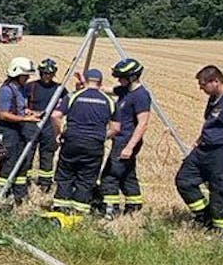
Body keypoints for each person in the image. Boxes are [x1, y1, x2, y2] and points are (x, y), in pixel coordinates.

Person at [176, 65, 223, 239]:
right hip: (204, 149)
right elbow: (210, 122)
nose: (200, 88)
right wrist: (199, 140)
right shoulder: (214, 98)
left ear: (215, 81)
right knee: (184, 180)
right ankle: (205, 216)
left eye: (203, 84)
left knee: (221, 190)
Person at [50, 69, 118, 217]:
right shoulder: (109, 101)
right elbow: (115, 128)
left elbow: (55, 116)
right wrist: (100, 136)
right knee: (87, 178)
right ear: (100, 82)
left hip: (72, 141)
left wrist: (59, 133)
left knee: (65, 174)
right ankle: (79, 213)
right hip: (94, 145)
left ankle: (60, 210)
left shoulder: (74, 96)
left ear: (85, 81)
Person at [99, 58, 152, 217]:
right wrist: (89, 85)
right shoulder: (125, 90)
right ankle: (134, 206)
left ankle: (111, 210)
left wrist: (129, 147)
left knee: (110, 175)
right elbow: (106, 89)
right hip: (121, 140)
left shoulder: (141, 95)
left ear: (132, 77)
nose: (118, 80)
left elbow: (142, 124)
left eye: (121, 77)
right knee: (128, 174)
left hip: (127, 140)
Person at [0, 56, 42, 203]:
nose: (27, 78)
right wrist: (25, 119)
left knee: (22, 162)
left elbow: (18, 107)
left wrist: (27, 112)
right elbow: (4, 114)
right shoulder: (6, 91)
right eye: (25, 75)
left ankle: (20, 195)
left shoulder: (19, 89)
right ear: (16, 74)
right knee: (8, 162)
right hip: (7, 132)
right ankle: (2, 194)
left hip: (18, 130)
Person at [24, 58, 65, 192]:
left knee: (47, 154)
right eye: (44, 73)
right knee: (28, 152)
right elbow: (20, 102)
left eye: (50, 74)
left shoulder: (60, 89)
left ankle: (45, 182)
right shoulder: (30, 86)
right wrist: (27, 111)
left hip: (50, 126)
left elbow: (67, 104)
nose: (47, 76)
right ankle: (25, 178)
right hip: (32, 123)